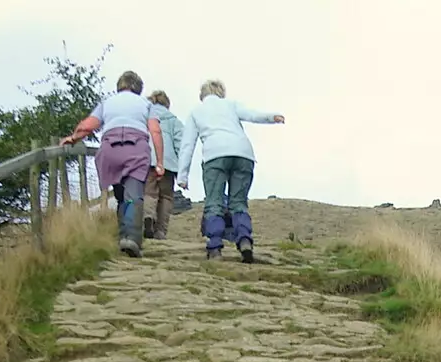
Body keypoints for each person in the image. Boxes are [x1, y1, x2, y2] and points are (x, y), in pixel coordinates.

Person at [177, 80, 285, 262]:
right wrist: (272, 117)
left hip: (215, 155)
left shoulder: (197, 111)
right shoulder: (231, 105)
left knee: (214, 203)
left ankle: (215, 247)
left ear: (202, 95)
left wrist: (182, 175)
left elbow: (188, 145)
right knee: (239, 203)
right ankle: (244, 240)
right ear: (221, 93)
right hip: (243, 154)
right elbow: (252, 114)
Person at [61, 71, 165, 257]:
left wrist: (73, 137)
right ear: (138, 88)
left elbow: (88, 125)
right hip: (136, 150)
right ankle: (131, 238)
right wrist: (159, 162)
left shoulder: (107, 103)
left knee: (120, 196)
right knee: (133, 195)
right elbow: (155, 131)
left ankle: (123, 236)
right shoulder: (147, 104)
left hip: (111, 151)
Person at [143, 90, 185, 240]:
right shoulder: (174, 121)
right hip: (168, 164)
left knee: (150, 192)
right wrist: (181, 166)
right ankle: (160, 231)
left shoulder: (145, 118)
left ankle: (148, 217)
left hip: (148, 161)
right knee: (166, 196)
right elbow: (181, 145)